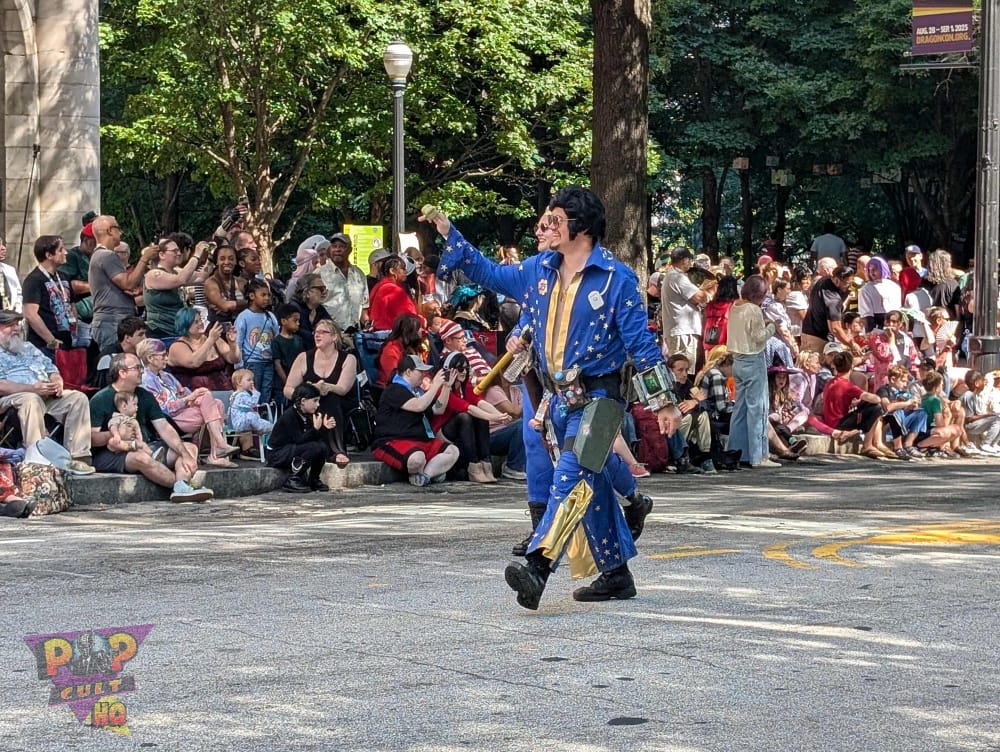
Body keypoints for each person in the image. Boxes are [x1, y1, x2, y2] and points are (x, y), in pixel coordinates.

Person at [425, 186, 676, 610]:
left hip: (602, 397)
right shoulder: (537, 269)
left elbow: (641, 344)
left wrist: (663, 401)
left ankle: (538, 568)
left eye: (555, 219)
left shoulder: (618, 279)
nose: (546, 226)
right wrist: (451, 232)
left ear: (581, 227)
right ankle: (616, 574)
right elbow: (485, 271)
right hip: (557, 398)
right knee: (589, 483)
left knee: (572, 475)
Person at [90, 352, 212, 502]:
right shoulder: (100, 399)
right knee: (141, 458)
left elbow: (164, 427)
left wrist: (185, 454)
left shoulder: (145, 395)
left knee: (189, 448)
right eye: (137, 367)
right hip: (111, 453)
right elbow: (92, 439)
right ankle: (182, 485)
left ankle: (182, 488)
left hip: (146, 446)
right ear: (122, 372)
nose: (142, 371)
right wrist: (114, 435)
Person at [0, 311, 94, 473]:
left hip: (45, 395)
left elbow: (51, 368)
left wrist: (57, 381)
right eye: (10, 326)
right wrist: (32, 389)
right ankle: (37, 461)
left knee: (77, 398)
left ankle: (78, 458)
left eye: (17, 324)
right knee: (31, 399)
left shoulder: (28, 347)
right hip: (10, 400)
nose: (16, 329)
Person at [137, 338, 239, 467]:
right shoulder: (146, 380)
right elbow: (162, 409)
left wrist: (195, 394)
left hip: (182, 414)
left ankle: (216, 453)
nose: (166, 358)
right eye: (163, 355)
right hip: (167, 421)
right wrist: (189, 399)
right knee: (208, 399)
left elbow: (183, 392)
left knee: (216, 402)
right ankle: (218, 447)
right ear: (150, 358)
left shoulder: (166, 376)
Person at [372, 354, 460, 486]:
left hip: (421, 441)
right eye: (420, 371)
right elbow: (419, 406)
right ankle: (429, 470)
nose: (424, 375)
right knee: (417, 459)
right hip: (394, 441)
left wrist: (446, 387)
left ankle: (425, 475)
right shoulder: (394, 389)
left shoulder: (418, 392)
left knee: (453, 451)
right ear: (408, 372)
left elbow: (438, 409)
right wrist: (435, 385)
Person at [282, 319, 355, 468]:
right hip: (308, 405)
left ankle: (336, 449)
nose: (317, 335)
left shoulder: (348, 359)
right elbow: (287, 389)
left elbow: (343, 388)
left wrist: (327, 387)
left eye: (323, 332)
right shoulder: (303, 357)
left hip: (335, 404)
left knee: (330, 398)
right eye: (316, 332)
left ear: (334, 337)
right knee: (312, 400)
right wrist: (306, 392)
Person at [430, 351, 511, 482]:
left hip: (459, 431)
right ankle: (474, 467)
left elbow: (480, 402)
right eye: (460, 368)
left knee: (479, 418)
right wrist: (495, 418)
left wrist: (500, 415)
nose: (463, 372)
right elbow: (469, 408)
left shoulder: (464, 387)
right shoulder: (442, 388)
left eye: (466, 368)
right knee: (465, 417)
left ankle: (486, 464)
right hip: (440, 433)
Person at [726, 275, 778, 468]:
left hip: (737, 360)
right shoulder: (754, 310)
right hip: (753, 359)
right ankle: (759, 456)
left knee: (740, 408)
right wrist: (771, 327)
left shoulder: (735, 307)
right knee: (759, 408)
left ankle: (738, 452)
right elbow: (758, 337)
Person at [822, 350, 891, 460]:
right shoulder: (847, 385)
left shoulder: (831, 381)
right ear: (851, 367)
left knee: (867, 408)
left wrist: (858, 402)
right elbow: (875, 399)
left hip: (831, 419)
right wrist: (874, 397)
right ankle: (868, 445)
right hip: (838, 423)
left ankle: (877, 442)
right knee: (875, 408)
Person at [266, 383, 334, 493]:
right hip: (277, 453)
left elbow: (314, 439)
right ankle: (293, 479)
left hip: (292, 448)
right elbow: (299, 439)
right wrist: (315, 429)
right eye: (315, 401)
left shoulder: (307, 414)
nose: (317, 405)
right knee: (313, 447)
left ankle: (314, 479)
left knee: (322, 447)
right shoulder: (290, 415)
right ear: (303, 401)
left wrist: (323, 428)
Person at [143, 238, 213, 339]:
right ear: (162, 255)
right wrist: (196, 255)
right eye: (175, 251)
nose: (179, 253)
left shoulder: (176, 271)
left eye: (179, 250)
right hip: (161, 333)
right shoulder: (153, 274)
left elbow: (200, 277)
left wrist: (211, 258)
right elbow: (180, 280)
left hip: (178, 330)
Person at [21, 235, 77, 360]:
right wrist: (51, 340)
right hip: (45, 346)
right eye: (61, 250)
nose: (66, 252)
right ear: (49, 255)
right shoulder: (34, 280)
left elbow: (71, 303)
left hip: (67, 340)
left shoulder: (63, 276)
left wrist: (74, 329)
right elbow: (30, 314)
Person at [661, 245, 714, 372]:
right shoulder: (677, 277)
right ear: (684, 260)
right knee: (684, 371)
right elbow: (699, 297)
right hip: (683, 332)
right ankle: (683, 392)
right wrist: (710, 288)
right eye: (689, 260)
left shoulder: (672, 276)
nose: (690, 263)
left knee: (682, 371)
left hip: (679, 330)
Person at [168, 308, 241, 392]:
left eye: (200, 320)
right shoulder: (177, 346)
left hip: (224, 390)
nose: (201, 323)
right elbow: (194, 362)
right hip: (196, 395)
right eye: (196, 322)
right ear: (186, 325)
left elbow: (234, 359)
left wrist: (232, 343)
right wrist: (210, 341)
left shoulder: (213, 338)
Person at [235, 279, 279, 403]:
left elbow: (276, 336)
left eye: (268, 295)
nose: (267, 298)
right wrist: (239, 365)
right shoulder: (243, 317)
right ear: (252, 296)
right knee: (252, 392)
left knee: (266, 393)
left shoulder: (270, 316)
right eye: (263, 295)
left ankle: (264, 416)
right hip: (252, 362)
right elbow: (238, 341)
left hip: (268, 361)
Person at [319, 232, 369, 331]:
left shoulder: (359, 274)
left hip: (355, 333)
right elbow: (313, 306)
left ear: (350, 249)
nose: (337, 249)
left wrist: (367, 324)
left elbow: (364, 307)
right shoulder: (319, 274)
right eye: (334, 246)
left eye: (342, 246)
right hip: (330, 334)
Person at [800, 265, 853, 354]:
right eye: (847, 283)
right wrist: (851, 344)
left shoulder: (823, 280)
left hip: (806, 333)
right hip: (818, 339)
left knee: (804, 364)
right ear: (836, 280)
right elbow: (835, 328)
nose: (849, 287)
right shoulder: (833, 299)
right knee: (813, 366)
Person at [90, 316, 146, 390]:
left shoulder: (140, 353)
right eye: (140, 335)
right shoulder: (108, 358)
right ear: (127, 338)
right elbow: (108, 388)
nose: (145, 338)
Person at [377, 313, 429, 388]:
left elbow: (424, 370)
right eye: (419, 327)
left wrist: (427, 380)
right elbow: (396, 378)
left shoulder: (414, 347)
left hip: (415, 386)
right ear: (409, 332)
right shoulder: (391, 351)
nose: (422, 330)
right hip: (397, 391)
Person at [369, 256, 419, 331]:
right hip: (389, 334)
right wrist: (422, 321)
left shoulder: (380, 285)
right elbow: (408, 316)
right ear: (392, 271)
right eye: (403, 268)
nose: (405, 272)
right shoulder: (391, 289)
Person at [202, 245, 246, 325]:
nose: (226, 262)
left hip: (240, 327)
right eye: (222, 259)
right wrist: (247, 303)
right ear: (217, 262)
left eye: (231, 259)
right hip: (218, 330)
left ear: (236, 261)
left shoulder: (242, 282)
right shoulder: (210, 282)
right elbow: (225, 306)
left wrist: (232, 305)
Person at [271, 304, 306, 401]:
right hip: (282, 383)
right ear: (283, 321)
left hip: (298, 382)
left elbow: (302, 360)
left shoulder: (299, 340)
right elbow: (277, 364)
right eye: (295, 320)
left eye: (299, 321)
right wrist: (287, 381)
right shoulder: (277, 341)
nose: (298, 323)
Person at [960, 370, 1000, 454]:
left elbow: (977, 414)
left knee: (997, 417)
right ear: (977, 383)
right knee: (997, 419)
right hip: (968, 426)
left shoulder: (975, 395)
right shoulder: (968, 395)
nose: (985, 383)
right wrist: (989, 415)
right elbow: (969, 418)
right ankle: (986, 444)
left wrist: (990, 415)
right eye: (983, 380)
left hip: (975, 423)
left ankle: (993, 444)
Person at [858, 256, 902, 331]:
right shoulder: (866, 289)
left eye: (874, 269)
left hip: (893, 325)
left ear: (883, 268)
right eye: (869, 270)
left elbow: (898, 310)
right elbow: (867, 316)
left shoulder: (895, 287)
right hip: (878, 327)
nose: (871, 272)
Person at [289, 272, 333, 343]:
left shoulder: (320, 309)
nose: (324, 292)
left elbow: (332, 327)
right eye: (321, 289)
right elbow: (296, 332)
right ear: (308, 292)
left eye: (325, 288)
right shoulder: (293, 308)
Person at [228, 368, 275, 434]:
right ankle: (262, 428)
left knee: (257, 418)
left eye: (252, 380)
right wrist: (255, 393)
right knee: (251, 416)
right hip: (242, 423)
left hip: (237, 422)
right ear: (239, 382)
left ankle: (269, 427)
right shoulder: (242, 395)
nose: (252, 382)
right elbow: (253, 403)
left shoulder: (234, 394)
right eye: (249, 380)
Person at [108, 391, 154, 457]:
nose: (137, 407)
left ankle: (152, 454)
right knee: (111, 441)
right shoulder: (118, 417)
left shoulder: (134, 421)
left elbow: (138, 433)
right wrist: (116, 435)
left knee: (143, 445)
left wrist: (139, 441)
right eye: (134, 404)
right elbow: (112, 426)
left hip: (132, 443)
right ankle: (129, 447)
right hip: (121, 443)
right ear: (124, 406)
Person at [284, 235, 328, 305]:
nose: (325, 258)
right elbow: (289, 308)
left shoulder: (327, 279)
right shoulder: (294, 283)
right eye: (321, 255)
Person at [702, 275, 738, 358]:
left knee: (710, 368)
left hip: (709, 345)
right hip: (725, 346)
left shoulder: (709, 306)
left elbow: (703, 324)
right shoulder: (734, 306)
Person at [0, 237, 23, 312]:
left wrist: (17, 309)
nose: (3, 248)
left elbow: (19, 293)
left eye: (2, 244)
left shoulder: (10, 270)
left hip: (10, 318)